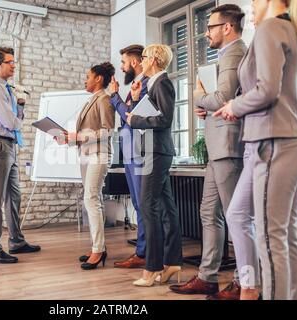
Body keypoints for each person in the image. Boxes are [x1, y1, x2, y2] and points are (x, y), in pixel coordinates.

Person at [214, 0, 297, 300]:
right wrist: (241, 107)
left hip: (273, 142)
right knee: (285, 237)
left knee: (271, 240)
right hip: (290, 141)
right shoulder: (291, 29)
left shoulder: (271, 28)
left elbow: (267, 90)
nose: (252, 5)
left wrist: (234, 105)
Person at [170, 4, 246, 300]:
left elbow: (224, 96)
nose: (206, 33)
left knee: (236, 217)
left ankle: (243, 280)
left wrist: (198, 97)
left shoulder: (235, 52)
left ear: (227, 27)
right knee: (208, 213)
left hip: (229, 147)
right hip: (217, 147)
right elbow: (224, 99)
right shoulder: (227, 54)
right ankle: (207, 276)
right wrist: (206, 105)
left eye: (211, 26)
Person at [125, 44, 183, 286]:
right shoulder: (154, 84)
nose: (141, 62)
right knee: (166, 208)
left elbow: (165, 119)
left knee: (148, 207)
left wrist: (135, 118)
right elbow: (154, 113)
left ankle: (152, 268)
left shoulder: (162, 83)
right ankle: (172, 263)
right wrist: (137, 100)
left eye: (145, 57)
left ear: (154, 60)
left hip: (156, 153)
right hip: (155, 151)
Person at [0, 47, 41, 264]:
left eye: (14, 61)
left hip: (8, 146)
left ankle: (16, 241)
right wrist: (20, 109)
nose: (14, 65)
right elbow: (11, 123)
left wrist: (19, 104)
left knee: (14, 196)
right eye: (10, 62)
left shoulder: (5, 89)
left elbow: (13, 121)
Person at [55, 62, 116, 270]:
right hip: (87, 154)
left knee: (91, 199)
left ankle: (98, 250)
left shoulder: (105, 99)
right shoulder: (94, 99)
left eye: (88, 76)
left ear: (98, 78)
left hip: (99, 155)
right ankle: (98, 246)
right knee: (93, 198)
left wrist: (78, 136)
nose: (85, 79)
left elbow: (108, 131)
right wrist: (69, 138)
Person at [109, 45, 149, 269]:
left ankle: (144, 253)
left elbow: (130, 116)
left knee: (142, 203)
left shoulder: (144, 85)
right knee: (136, 202)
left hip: (140, 152)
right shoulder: (136, 86)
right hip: (130, 152)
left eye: (124, 63)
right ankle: (142, 250)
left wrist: (114, 97)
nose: (122, 67)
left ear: (134, 62)